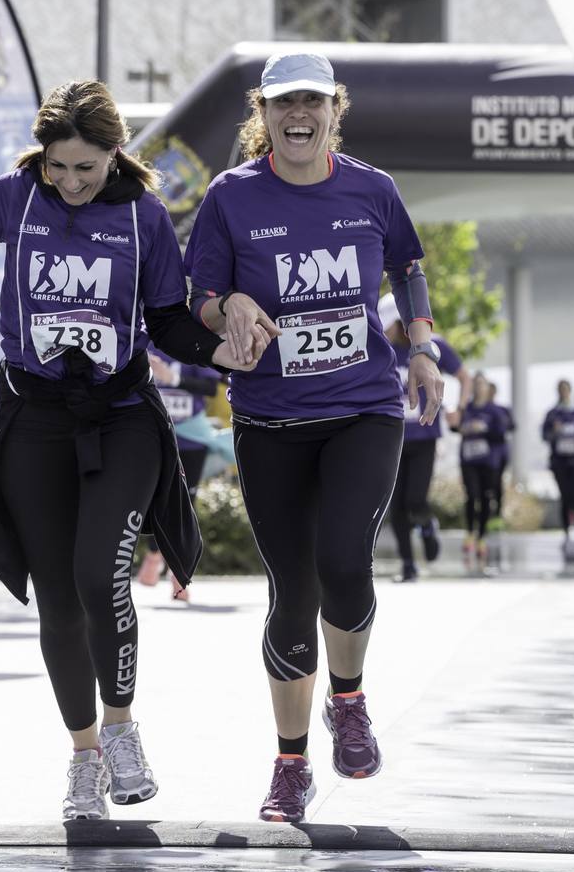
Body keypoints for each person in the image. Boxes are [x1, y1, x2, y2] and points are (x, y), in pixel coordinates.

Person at [0, 78, 265, 820]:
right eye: (59, 167)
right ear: (41, 158)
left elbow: (171, 322)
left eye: (87, 167)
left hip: (120, 417)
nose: (73, 183)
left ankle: (121, 732)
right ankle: (83, 759)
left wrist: (223, 354)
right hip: (36, 419)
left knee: (98, 575)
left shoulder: (144, 215)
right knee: (56, 599)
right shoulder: (19, 196)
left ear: (115, 153)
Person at [185, 52, 443, 823]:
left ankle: (351, 699)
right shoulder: (231, 197)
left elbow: (409, 267)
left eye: (313, 102)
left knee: (343, 560)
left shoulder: (372, 189)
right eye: (282, 104)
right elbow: (197, 296)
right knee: (293, 594)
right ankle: (290, 763)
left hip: (363, 409)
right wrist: (226, 304)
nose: (298, 116)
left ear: (336, 108)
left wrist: (422, 346)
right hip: (270, 421)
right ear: (262, 114)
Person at [378, 294, 469, 582]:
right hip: (392, 437)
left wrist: (459, 409)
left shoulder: (433, 345)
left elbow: (464, 376)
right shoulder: (382, 348)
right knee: (397, 506)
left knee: (416, 499)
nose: (385, 331)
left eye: (389, 325)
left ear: (401, 322)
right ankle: (408, 565)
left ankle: (428, 526)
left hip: (424, 435)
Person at [137, 348, 222, 599]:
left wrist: (171, 378)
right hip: (153, 433)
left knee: (186, 503)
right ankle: (154, 555)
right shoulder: (142, 336)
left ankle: (179, 571)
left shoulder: (187, 337)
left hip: (191, 437)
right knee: (150, 499)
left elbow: (210, 387)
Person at [447, 373, 507, 567]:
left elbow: (501, 434)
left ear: (487, 388)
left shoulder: (494, 411)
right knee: (472, 496)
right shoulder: (467, 408)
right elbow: (454, 426)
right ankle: (470, 533)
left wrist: (483, 429)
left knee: (485, 497)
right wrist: (460, 426)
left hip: (488, 461)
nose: (479, 388)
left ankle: (481, 535)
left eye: (482, 384)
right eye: (476, 384)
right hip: (468, 460)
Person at [542, 380, 574, 560]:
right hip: (560, 463)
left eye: (566, 390)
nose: (563, 393)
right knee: (565, 497)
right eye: (560, 390)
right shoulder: (553, 414)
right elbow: (545, 435)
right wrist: (555, 432)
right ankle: (567, 532)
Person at [485, 380, 514, 534]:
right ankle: (487, 513)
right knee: (486, 486)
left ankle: (496, 515)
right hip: (483, 455)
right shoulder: (479, 409)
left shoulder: (502, 410)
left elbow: (512, 426)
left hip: (499, 454)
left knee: (497, 484)